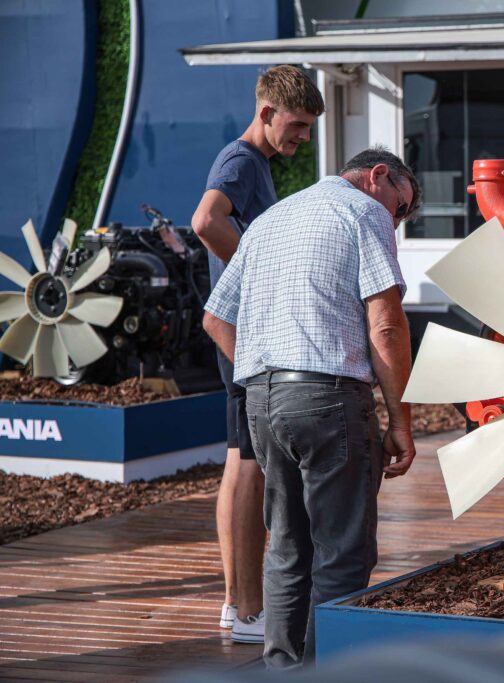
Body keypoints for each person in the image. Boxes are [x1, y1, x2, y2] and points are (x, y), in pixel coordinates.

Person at [202, 146, 421, 668]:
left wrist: (260, 374)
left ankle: (282, 669)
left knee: (287, 548)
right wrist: (401, 421)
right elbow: (386, 324)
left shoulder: (269, 219)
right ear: (378, 176)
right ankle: (330, 672)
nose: (397, 221)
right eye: (401, 207)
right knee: (343, 553)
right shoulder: (363, 211)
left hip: (263, 400)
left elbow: (216, 319)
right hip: (329, 398)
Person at [191, 65, 324, 644]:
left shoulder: (255, 164)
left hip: (242, 332)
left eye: (309, 128)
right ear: (266, 113)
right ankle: (249, 613)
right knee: (247, 462)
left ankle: (235, 604)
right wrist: (262, 270)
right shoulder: (241, 161)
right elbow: (205, 221)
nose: (303, 138)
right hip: (243, 334)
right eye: (297, 125)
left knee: (238, 458)